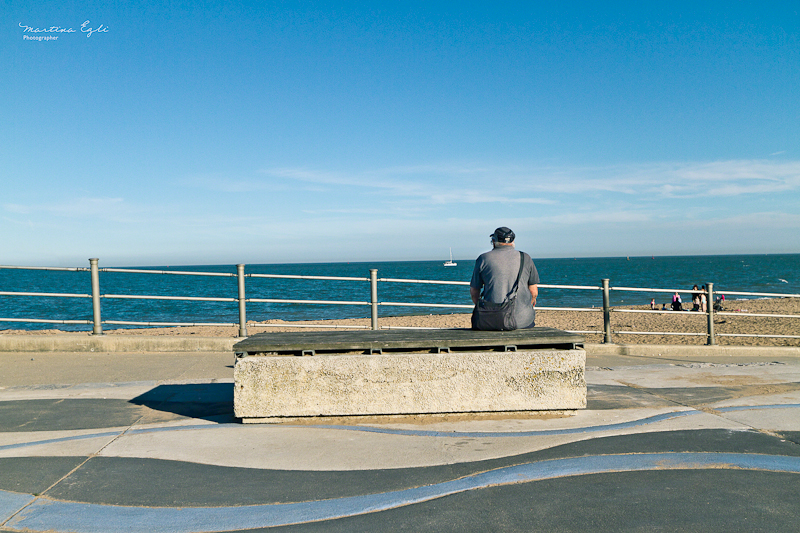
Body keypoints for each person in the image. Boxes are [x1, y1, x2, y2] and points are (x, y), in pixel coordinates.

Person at [470, 227, 539, 329]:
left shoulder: (483, 258)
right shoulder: (525, 258)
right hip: (522, 321)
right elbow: (534, 292)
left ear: (493, 241)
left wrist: (484, 308)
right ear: (513, 241)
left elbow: (474, 292)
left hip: (491, 319)